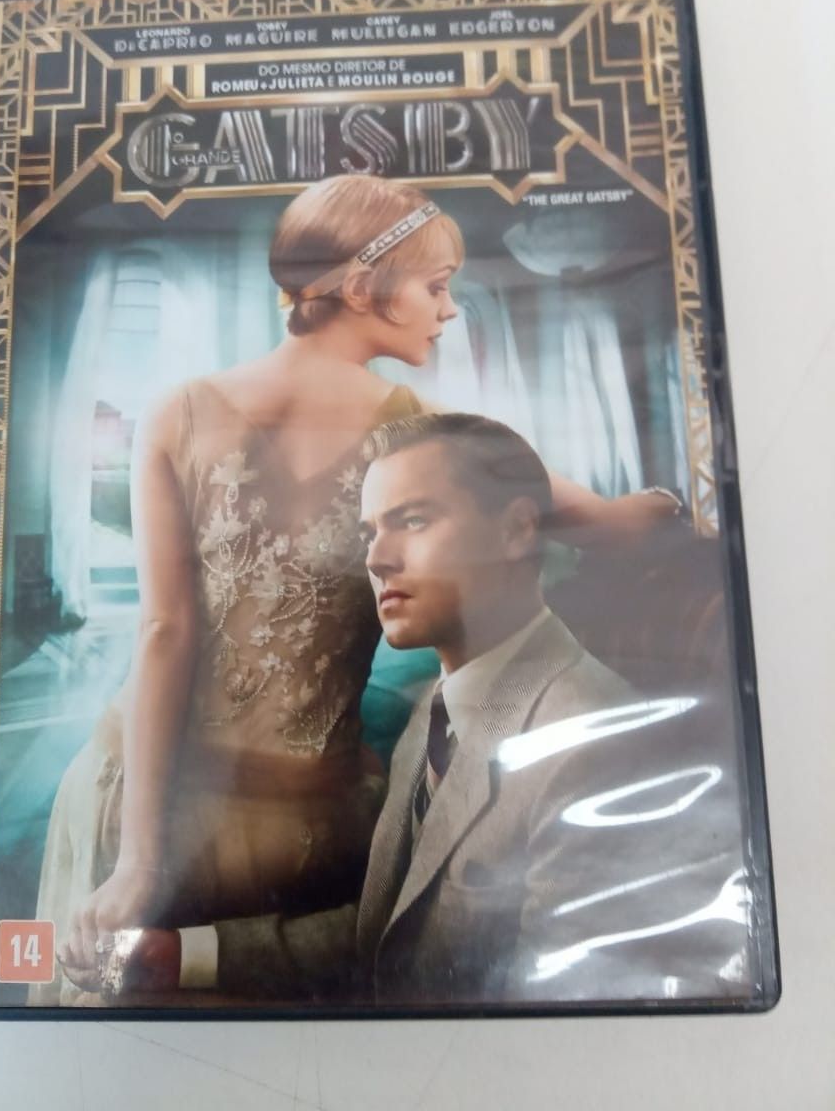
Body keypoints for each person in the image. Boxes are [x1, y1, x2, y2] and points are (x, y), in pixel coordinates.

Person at [41, 178, 683, 1005]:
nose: (447, 310)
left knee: (135, 1036)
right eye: (436, 286)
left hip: (141, 798)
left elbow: (163, 631)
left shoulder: (176, 412)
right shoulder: (424, 437)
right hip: (291, 819)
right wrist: (662, 509)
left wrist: (137, 861)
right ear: (360, 287)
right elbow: (602, 521)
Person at [61, 414, 750, 1006]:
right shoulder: (434, 714)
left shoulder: (592, 743)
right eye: (370, 532)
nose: (378, 559)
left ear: (517, 532)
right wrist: (179, 956)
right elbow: (386, 936)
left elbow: (560, 1025)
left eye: (414, 520)